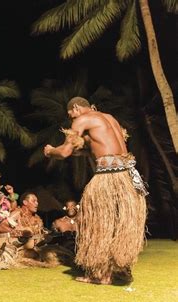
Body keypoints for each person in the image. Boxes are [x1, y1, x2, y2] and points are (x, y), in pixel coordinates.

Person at [44, 96, 147, 285]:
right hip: (127, 177)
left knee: (95, 224)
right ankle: (120, 270)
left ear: (76, 108)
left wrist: (50, 151)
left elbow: (65, 151)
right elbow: (100, 146)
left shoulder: (82, 119)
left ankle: (100, 274)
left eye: (70, 115)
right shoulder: (109, 118)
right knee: (119, 225)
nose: (71, 119)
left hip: (107, 178)